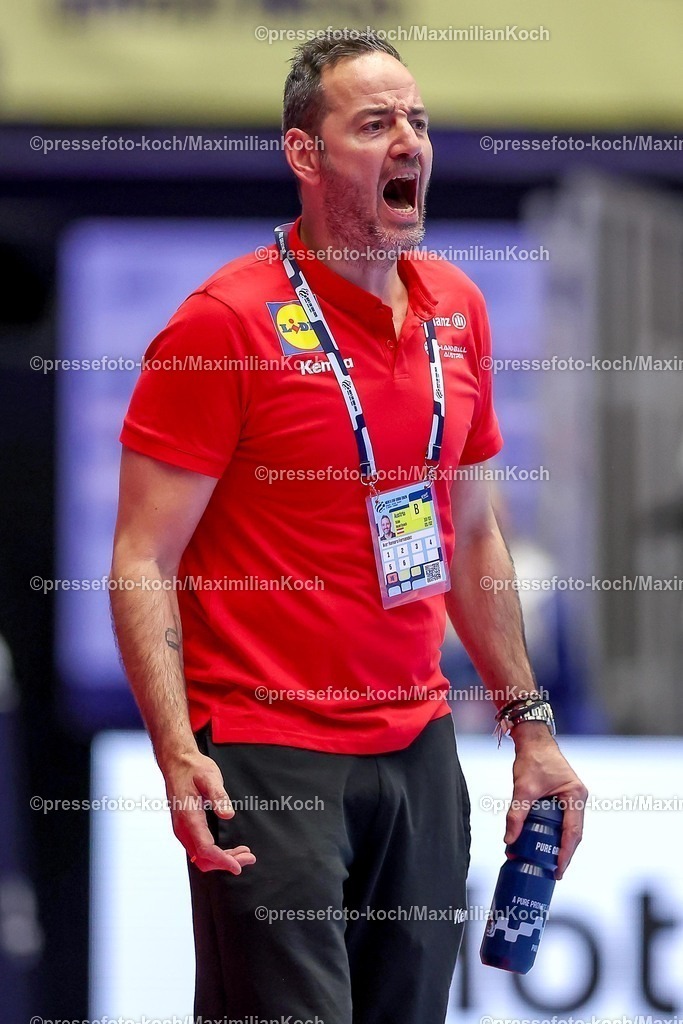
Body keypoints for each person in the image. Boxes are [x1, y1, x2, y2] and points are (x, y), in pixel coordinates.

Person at [110, 29, 587, 1024]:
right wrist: (174, 748)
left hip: (416, 747)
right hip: (264, 747)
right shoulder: (222, 324)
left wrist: (529, 725)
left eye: (417, 121)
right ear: (305, 153)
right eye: (373, 124)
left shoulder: (457, 309)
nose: (407, 141)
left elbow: (472, 536)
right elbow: (142, 556)